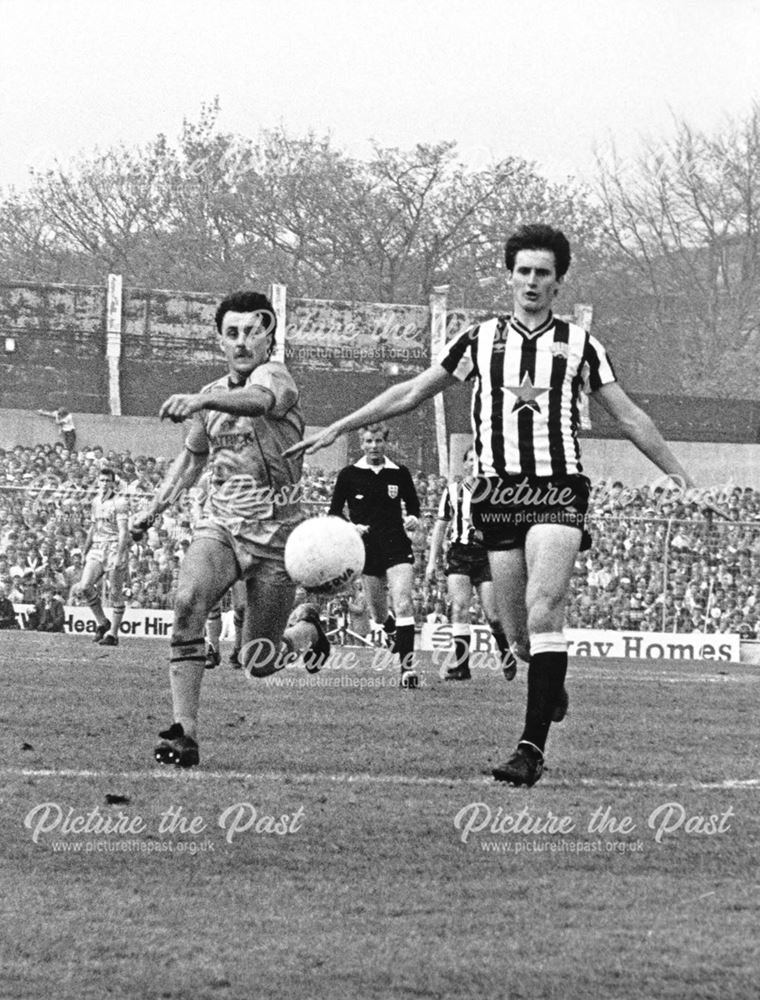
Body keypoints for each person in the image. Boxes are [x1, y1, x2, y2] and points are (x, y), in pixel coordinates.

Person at [287, 223, 698, 786]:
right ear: (510, 277)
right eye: (523, 271)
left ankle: (529, 750)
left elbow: (628, 415)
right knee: (515, 630)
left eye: (543, 273)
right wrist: (340, 426)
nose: (532, 281)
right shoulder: (479, 341)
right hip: (497, 495)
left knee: (545, 604)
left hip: (557, 488)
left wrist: (677, 472)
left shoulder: (581, 346)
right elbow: (411, 392)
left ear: (558, 282)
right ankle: (547, 683)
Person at [129, 290, 330, 768]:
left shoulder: (274, 378)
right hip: (222, 523)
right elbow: (193, 458)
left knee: (256, 662)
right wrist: (154, 509)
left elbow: (259, 402)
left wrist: (201, 397)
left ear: (269, 338)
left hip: (277, 538)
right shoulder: (211, 399)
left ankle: (306, 634)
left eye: (252, 332)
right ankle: (184, 732)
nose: (242, 342)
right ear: (219, 340)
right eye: (232, 333)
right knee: (187, 602)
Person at [328, 423, 421, 687]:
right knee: (379, 615)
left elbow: (413, 505)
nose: (374, 446)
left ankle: (407, 670)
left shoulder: (399, 473)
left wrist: (413, 518)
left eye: (378, 441)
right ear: (362, 443)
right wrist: (351, 526)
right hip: (366, 548)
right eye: (368, 441)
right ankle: (392, 631)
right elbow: (334, 512)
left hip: (396, 543)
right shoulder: (349, 474)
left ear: (385, 442)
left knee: (403, 603)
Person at [425, 446, 517, 682]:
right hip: (459, 553)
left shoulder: (494, 493)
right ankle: (462, 667)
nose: (473, 464)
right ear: (463, 464)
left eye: (478, 460)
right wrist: (431, 562)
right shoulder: (453, 491)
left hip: (485, 554)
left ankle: (506, 655)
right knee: (459, 609)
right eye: (469, 460)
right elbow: (441, 526)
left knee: (493, 614)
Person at [71, 466, 130, 646]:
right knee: (84, 587)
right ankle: (103, 622)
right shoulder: (96, 501)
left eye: (108, 481)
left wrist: (119, 555)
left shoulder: (120, 502)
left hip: (113, 547)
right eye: (102, 480)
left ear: (113, 483)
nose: (104, 484)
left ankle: (113, 634)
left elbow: (123, 532)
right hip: (97, 547)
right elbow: (93, 527)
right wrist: (85, 549)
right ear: (98, 481)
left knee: (115, 593)